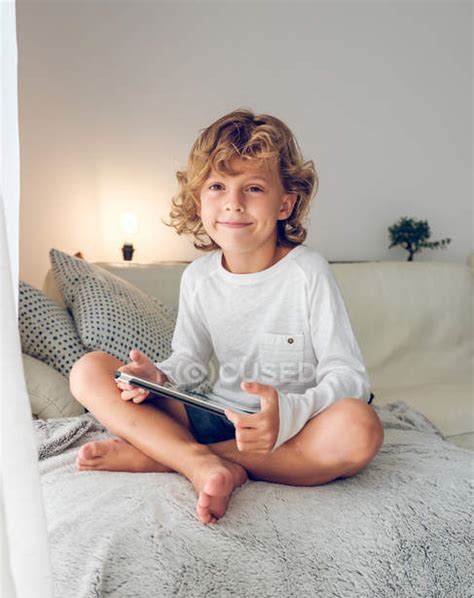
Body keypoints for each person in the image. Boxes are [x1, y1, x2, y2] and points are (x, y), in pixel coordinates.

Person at [70, 109, 384, 525]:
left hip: (295, 428)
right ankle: (200, 461)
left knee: (361, 428)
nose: (233, 203)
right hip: (216, 416)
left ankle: (169, 458)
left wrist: (288, 413)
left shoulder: (307, 272)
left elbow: (350, 377)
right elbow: (190, 362)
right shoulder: (199, 277)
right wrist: (158, 377)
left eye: (253, 187)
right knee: (89, 370)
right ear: (199, 199)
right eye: (217, 186)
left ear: (285, 203)